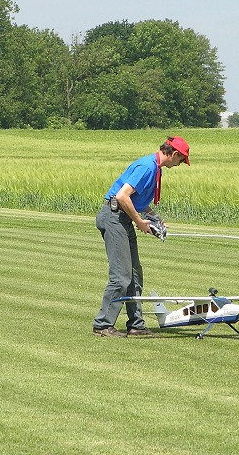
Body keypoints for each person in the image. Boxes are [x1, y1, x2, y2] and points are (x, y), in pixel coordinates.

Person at [93, 136, 191, 337]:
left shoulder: (156, 168)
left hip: (123, 218)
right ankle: (102, 325)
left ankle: (136, 325)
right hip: (114, 218)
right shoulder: (147, 167)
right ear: (174, 154)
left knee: (135, 275)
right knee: (121, 276)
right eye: (181, 160)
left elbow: (136, 201)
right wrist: (139, 221)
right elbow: (122, 196)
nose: (180, 164)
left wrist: (154, 219)